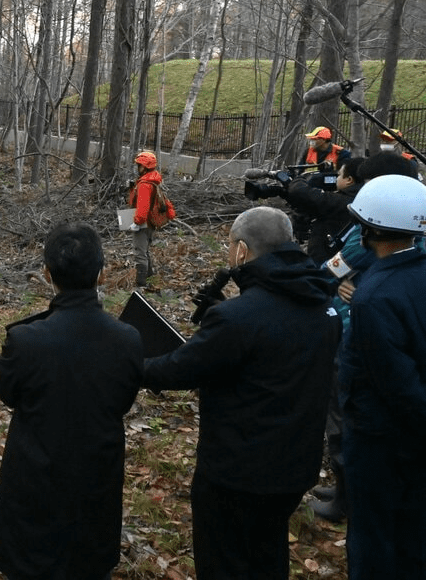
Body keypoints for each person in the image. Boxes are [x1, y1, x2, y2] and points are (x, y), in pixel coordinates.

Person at [141, 206, 339, 580]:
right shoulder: (322, 305)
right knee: (268, 553)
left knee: (224, 561)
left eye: (230, 245)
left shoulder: (238, 319)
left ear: (242, 252)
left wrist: (130, 364)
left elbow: (180, 369)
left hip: (238, 472)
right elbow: (275, 345)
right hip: (295, 467)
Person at [0, 223, 143, 580]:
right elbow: (124, 399)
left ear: (47, 274)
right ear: (102, 275)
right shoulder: (128, 340)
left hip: (33, 488)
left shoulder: (25, 341)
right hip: (96, 486)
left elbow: (3, 388)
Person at [338, 175, 426, 580]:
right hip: (425, 439)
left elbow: (395, 381)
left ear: (371, 229)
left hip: (380, 440)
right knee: (413, 531)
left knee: (373, 540)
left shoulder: (373, 297)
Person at [307, 152, 421, 522]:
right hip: (364, 323)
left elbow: (336, 266)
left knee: (343, 411)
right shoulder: (409, 228)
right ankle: (346, 485)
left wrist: (332, 278)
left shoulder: (373, 227)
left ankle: (348, 496)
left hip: (353, 329)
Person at [275, 156, 364, 264]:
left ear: (349, 180)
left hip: (326, 263)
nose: (336, 178)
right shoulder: (362, 200)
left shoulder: (341, 202)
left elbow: (300, 192)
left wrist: (299, 178)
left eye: (339, 175)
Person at [127, 150, 174, 288]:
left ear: (144, 167)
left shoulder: (144, 185)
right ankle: (150, 281)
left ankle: (141, 285)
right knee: (145, 251)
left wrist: (136, 222)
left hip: (144, 223)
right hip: (151, 222)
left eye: (139, 165)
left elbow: (142, 208)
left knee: (140, 253)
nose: (137, 168)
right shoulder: (153, 180)